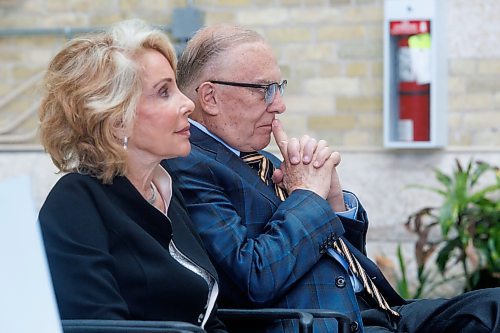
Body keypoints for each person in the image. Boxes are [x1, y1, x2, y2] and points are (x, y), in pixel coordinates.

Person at [163, 24, 500, 333]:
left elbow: (336, 254)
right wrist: (308, 195)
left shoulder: (262, 159)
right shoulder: (189, 164)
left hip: (378, 311)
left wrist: (333, 202)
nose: (279, 105)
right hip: (325, 323)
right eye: (263, 90)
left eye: (278, 87)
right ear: (210, 97)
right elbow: (253, 277)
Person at [37, 19, 227, 333]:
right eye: (164, 92)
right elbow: (100, 326)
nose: (188, 104)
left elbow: (208, 315)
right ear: (117, 120)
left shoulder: (165, 190)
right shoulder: (76, 203)